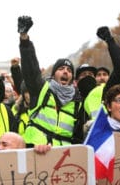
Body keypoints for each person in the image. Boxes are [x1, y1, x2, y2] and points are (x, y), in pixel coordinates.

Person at [17, 16, 81, 147]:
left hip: (62, 159)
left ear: (72, 78)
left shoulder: (77, 102)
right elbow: (31, 69)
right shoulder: (41, 89)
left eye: (69, 70)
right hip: (35, 154)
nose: (65, 72)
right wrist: (24, 39)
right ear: (53, 75)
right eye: (61, 69)